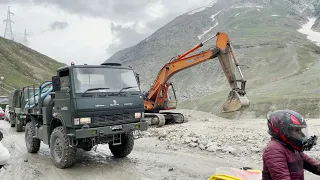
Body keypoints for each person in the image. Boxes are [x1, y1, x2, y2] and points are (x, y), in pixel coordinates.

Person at [262, 109, 320, 180]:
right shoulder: (274, 151)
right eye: (296, 130)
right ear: (283, 130)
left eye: (300, 130)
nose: (300, 134)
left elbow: (313, 165)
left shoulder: (292, 148)